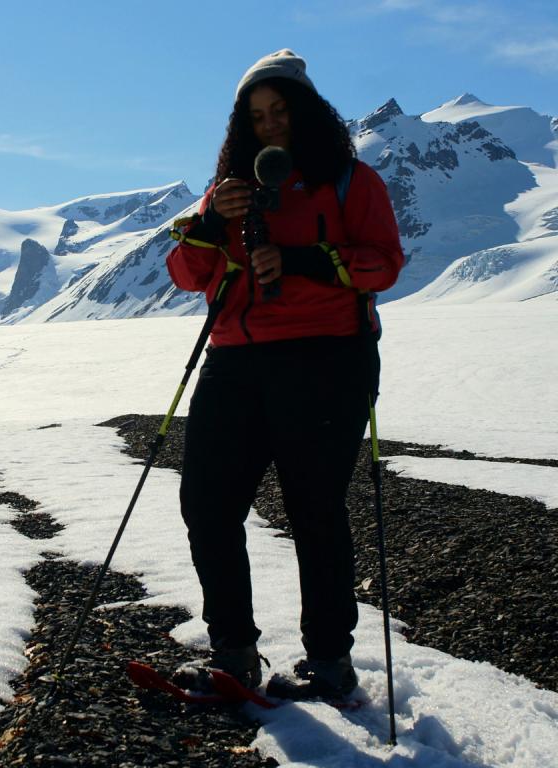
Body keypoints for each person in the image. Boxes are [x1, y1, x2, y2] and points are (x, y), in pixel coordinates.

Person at [165, 49, 404, 699]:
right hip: (235, 360)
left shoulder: (352, 183)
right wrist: (212, 222)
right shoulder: (227, 192)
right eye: (257, 116)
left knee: (315, 511)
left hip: (327, 358)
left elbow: (384, 265)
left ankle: (329, 662)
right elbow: (186, 276)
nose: (270, 124)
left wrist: (305, 260)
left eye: (280, 111)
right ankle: (233, 653)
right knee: (207, 505)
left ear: (305, 113)